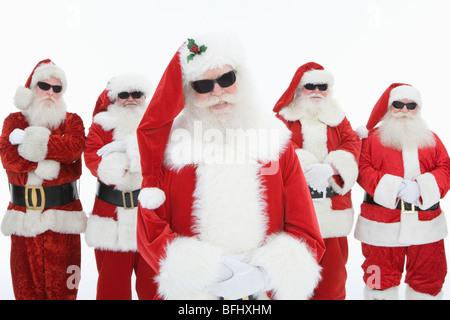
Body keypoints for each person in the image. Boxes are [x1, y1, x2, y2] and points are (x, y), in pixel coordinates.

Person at [135, 35, 325, 300]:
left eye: (226, 79)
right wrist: (209, 273)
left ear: (241, 78)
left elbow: (305, 228)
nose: (217, 91)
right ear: (189, 91)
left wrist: (262, 276)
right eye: (203, 84)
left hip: (263, 295)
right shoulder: (170, 151)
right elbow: (150, 231)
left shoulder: (275, 142)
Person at [273, 62, 361, 300]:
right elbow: (278, 146)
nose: (316, 91)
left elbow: (352, 143)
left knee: (332, 282)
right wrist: (305, 165)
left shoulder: (339, 118)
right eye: (310, 85)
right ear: (298, 88)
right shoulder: (283, 119)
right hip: (296, 214)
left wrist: (332, 167)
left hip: (334, 213)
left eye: (322, 86)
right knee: (292, 282)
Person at [0, 59, 86, 300]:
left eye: (57, 88)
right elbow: (9, 159)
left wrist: (30, 140)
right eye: (44, 86)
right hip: (23, 220)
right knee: (25, 290)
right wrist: (46, 161)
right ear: (31, 88)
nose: (50, 92)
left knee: (65, 291)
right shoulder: (13, 122)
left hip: (63, 220)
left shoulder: (73, 121)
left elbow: (73, 150)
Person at [354, 83, 450, 299]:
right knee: (379, 279)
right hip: (381, 224)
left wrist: (421, 187)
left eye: (411, 106)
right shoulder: (370, 140)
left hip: (426, 224)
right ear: (389, 108)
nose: (405, 111)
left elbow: (445, 167)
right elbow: (362, 169)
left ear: (418, 109)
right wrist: (393, 187)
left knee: (429, 279)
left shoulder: (432, 139)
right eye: (398, 105)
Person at [84, 73, 156, 300]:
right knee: (111, 290)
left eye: (137, 94)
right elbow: (93, 159)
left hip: (148, 219)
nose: (131, 99)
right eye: (124, 95)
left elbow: (161, 157)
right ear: (114, 98)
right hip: (110, 220)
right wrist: (125, 162)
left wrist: (129, 146)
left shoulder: (157, 126)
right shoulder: (100, 125)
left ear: (145, 97)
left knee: (154, 289)